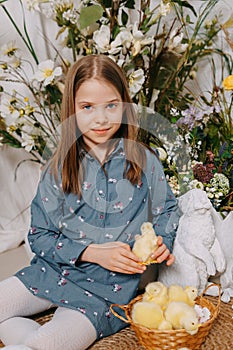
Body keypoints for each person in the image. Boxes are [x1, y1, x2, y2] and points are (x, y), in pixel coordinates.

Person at [0, 55, 180, 350]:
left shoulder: (144, 161)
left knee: (47, 344)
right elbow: (39, 236)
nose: (101, 118)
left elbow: (168, 212)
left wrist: (163, 241)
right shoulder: (59, 167)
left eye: (111, 105)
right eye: (87, 107)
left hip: (106, 291)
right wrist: (91, 252)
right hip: (52, 272)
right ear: (72, 109)